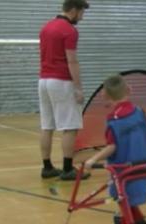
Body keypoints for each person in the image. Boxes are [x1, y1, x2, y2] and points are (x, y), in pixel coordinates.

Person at [85, 75, 146, 224]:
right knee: (129, 198)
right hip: (144, 164)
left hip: (124, 169)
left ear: (106, 95)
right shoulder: (140, 111)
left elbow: (112, 147)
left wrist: (92, 160)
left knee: (123, 196)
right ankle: (138, 220)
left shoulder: (114, 120)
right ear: (129, 90)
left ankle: (127, 220)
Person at [39, 0, 90, 180]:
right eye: (82, 12)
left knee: (47, 125)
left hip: (44, 80)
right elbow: (72, 61)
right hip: (61, 81)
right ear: (74, 10)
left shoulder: (46, 27)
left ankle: (47, 167)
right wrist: (78, 88)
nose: (82, 17)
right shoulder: (69, 30)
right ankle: (68, 169)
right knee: (71, 126)